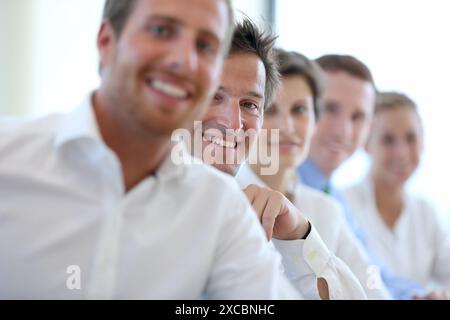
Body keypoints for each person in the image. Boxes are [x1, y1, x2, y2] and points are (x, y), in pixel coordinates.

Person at [0, 0, 300, 299]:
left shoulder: (220, 207)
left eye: (206, 47)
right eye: (161, 30)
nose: (186, 62)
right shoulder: (9, 159)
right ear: (106, 41)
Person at [198, 24, 367, 299]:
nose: (232, 122)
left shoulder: (313, 212)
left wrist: (301, 238)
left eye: (249, 104)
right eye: (215, 96)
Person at [237, 49, 389, 299]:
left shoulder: (326, 210)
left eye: (299, 110)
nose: (286, 127)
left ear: (315, 121)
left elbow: (373, 293)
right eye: (271, 108)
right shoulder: (227, 198)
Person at [298, 54, 424, 299]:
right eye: (330, 109)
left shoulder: (333, 197)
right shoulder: (279, 186)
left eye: (358, 117)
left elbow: (371, 272)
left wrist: (417, 295)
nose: (343, 130)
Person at [344, 92, 450, 299]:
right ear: (366, 143)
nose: (401, 152)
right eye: (388, 140)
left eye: (411, 138)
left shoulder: (425, 211)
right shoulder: (343, 205)